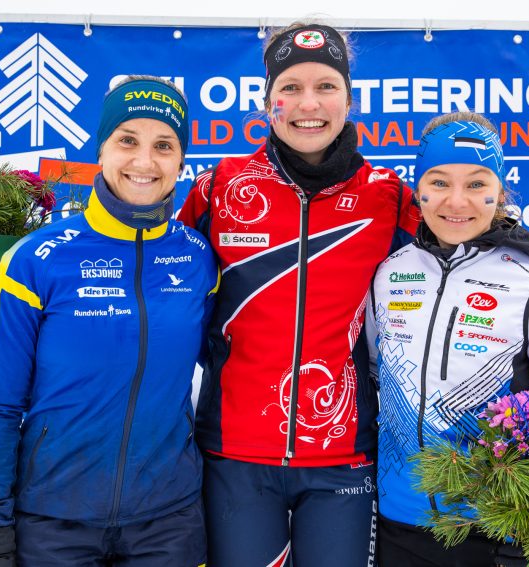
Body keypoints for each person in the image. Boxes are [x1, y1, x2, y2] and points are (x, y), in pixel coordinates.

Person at [178, 22, 419, 567]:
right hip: (235, 454)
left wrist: (523, 258)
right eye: (290, 87)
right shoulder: (222, 187)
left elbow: (455, 250)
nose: (308, 103)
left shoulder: (387, 196)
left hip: (343, 455)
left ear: (349, 98)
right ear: (268, 102)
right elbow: (166, 280)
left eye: (326, 86)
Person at [0, 76, 217, 567]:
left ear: (181, 161)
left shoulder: (199, 258)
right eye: (127, 140)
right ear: (100, 149)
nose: (144, 162)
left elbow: (227, 366)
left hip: (168, 523)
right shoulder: (36, 259)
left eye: (163, 146)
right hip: (52, 522)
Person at [367, 111, 529, 567]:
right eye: (438, 182)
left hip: (497, 532)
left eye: (476, 184)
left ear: (499, 191)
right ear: (418, 190)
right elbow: (376, 375)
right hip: (399, 526)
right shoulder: (389, 274)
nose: (457, 201)